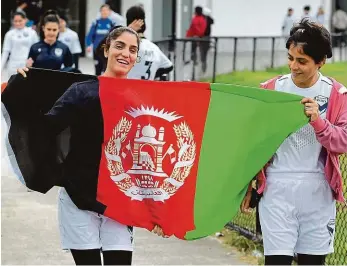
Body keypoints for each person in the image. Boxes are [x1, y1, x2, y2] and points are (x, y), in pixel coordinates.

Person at [16, 26, 166, 266]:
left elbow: (147, 162)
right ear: (106, 50)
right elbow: (45, 128)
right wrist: (23, 88)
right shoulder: (81, 91)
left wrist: (155, 208)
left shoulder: (139, 102)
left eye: (132, 50)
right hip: (79, 198)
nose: (126, 53)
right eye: (119, 46)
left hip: (120, 201)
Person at [241, 19, 347, 265]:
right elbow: (252, 141)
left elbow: (342, 141)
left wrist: (319, 122)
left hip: (318, 192)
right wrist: (249, 183)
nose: (293, 66)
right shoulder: (271, 89)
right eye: (290, 58)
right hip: (277, 189)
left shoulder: (336, 94)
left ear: (320, 62)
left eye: (302, 61)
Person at [125, 5, 173, 80]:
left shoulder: (124, 46)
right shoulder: (154, 48)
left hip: (126, 89)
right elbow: (169, 66)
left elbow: (102, 48)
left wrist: (127, 30)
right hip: (147, 89)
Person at [1, 11, 38, 79]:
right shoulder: (9, 34)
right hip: (13, 65)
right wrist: (0, 69)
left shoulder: (32, 33)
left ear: (25, 20)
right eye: (15, 21)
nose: (18, 23)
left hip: (27, 65)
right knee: (12, 87)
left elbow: (36, 50)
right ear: (12, 21)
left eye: (20, 20)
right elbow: (5, 52)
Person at [86, 4, 115, 75]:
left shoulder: (111, 23)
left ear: (109, 12)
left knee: (106, 69)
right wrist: (88, 45)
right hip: (96, 50)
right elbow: (89, 36)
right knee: (97, 70)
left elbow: (114, 37)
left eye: (106, 10)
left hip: (107, 50)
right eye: (103, 10)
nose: (104, 12)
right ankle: (97, 84)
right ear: (100, 12)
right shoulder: (96, 23)